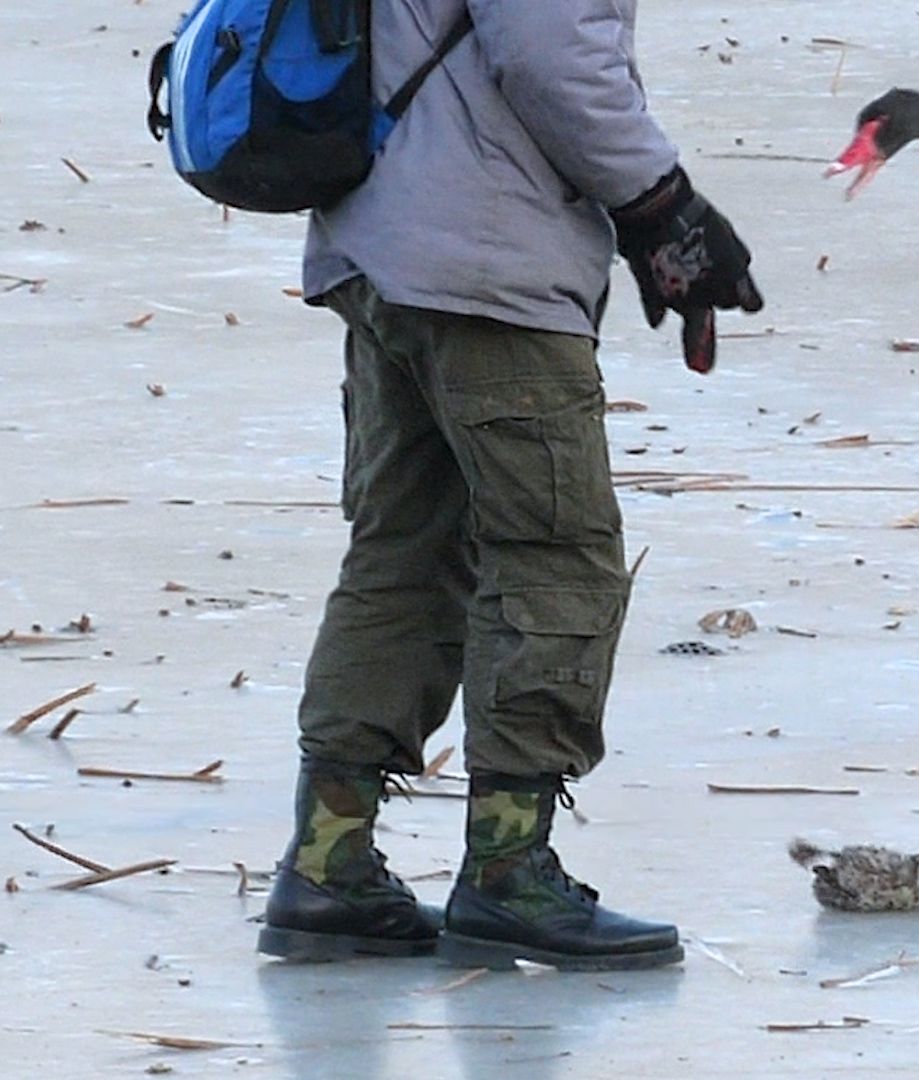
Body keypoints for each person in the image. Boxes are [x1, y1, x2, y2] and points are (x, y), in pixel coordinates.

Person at [254, 0, 762, 971]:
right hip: (483, 260)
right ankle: (508, 872)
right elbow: (553, 52)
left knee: (406, 553)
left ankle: (328, 862)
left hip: (378, 246)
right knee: (556, 554)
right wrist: (663, 206)